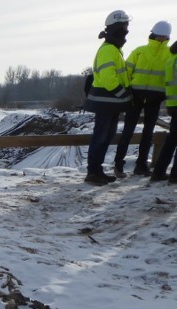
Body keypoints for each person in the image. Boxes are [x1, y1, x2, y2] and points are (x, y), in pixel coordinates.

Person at [114, 21, 172, 177]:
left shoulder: (141, 51)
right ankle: (124, 165)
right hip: (142, 97)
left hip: (144, 96)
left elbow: (126, 72)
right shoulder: (145, 52)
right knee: (135, 132)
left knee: (142, 133)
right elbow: (127, 72)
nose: (161, 38)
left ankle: (134, 166)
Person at [84, 10, 133, 186]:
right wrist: (124, 94)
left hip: (111, 104)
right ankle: (92, 172)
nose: (127, 30)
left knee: (106, 137)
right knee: (101, 137)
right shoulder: (108, 50)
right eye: (125, 27)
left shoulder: (114, 49)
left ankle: (97, 171)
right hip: (106, 102)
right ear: (118, 28)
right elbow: (108, 78)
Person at [150, 40, 177, 183]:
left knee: (171, 141)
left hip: (173, 104)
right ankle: (174, 176)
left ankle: (158, 172)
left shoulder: (171, 59)